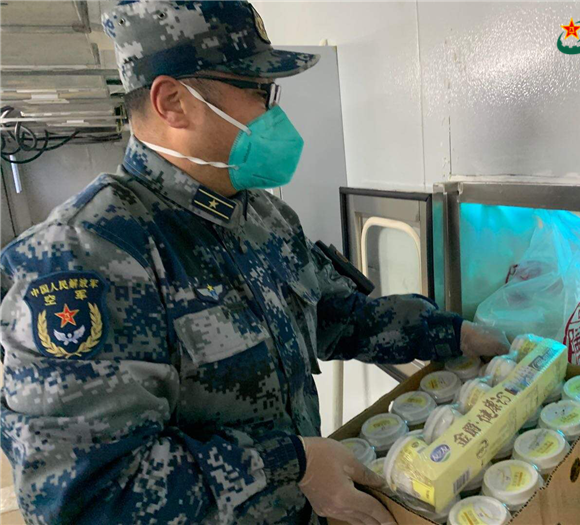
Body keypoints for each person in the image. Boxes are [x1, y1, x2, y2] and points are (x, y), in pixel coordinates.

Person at [0, 2, 510, 524]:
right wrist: (291, 466)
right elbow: (83, 495)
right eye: (259, 92)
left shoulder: (262, 215)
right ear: (174, 102)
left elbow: (334, 317)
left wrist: (449, 333)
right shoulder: (88, 255)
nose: (275, 116)